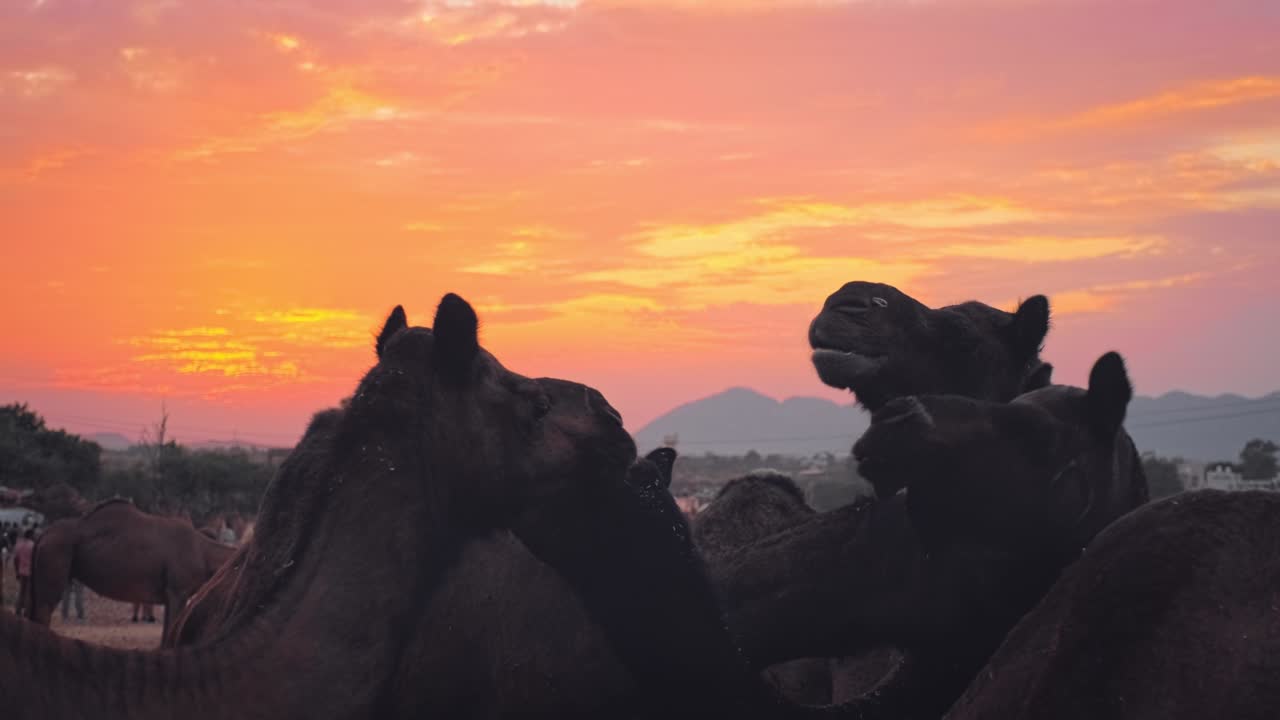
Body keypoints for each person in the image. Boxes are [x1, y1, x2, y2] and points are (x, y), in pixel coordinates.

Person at [12, 529, 35, 617]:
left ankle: (18, 611)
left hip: (21, 571)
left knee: (21, 591)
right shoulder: (32, 545)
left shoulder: (18, 545)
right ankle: (27, 612)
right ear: (31, 535)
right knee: (28, 593)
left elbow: (15, 559)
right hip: (30, 572)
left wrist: (16, 571)